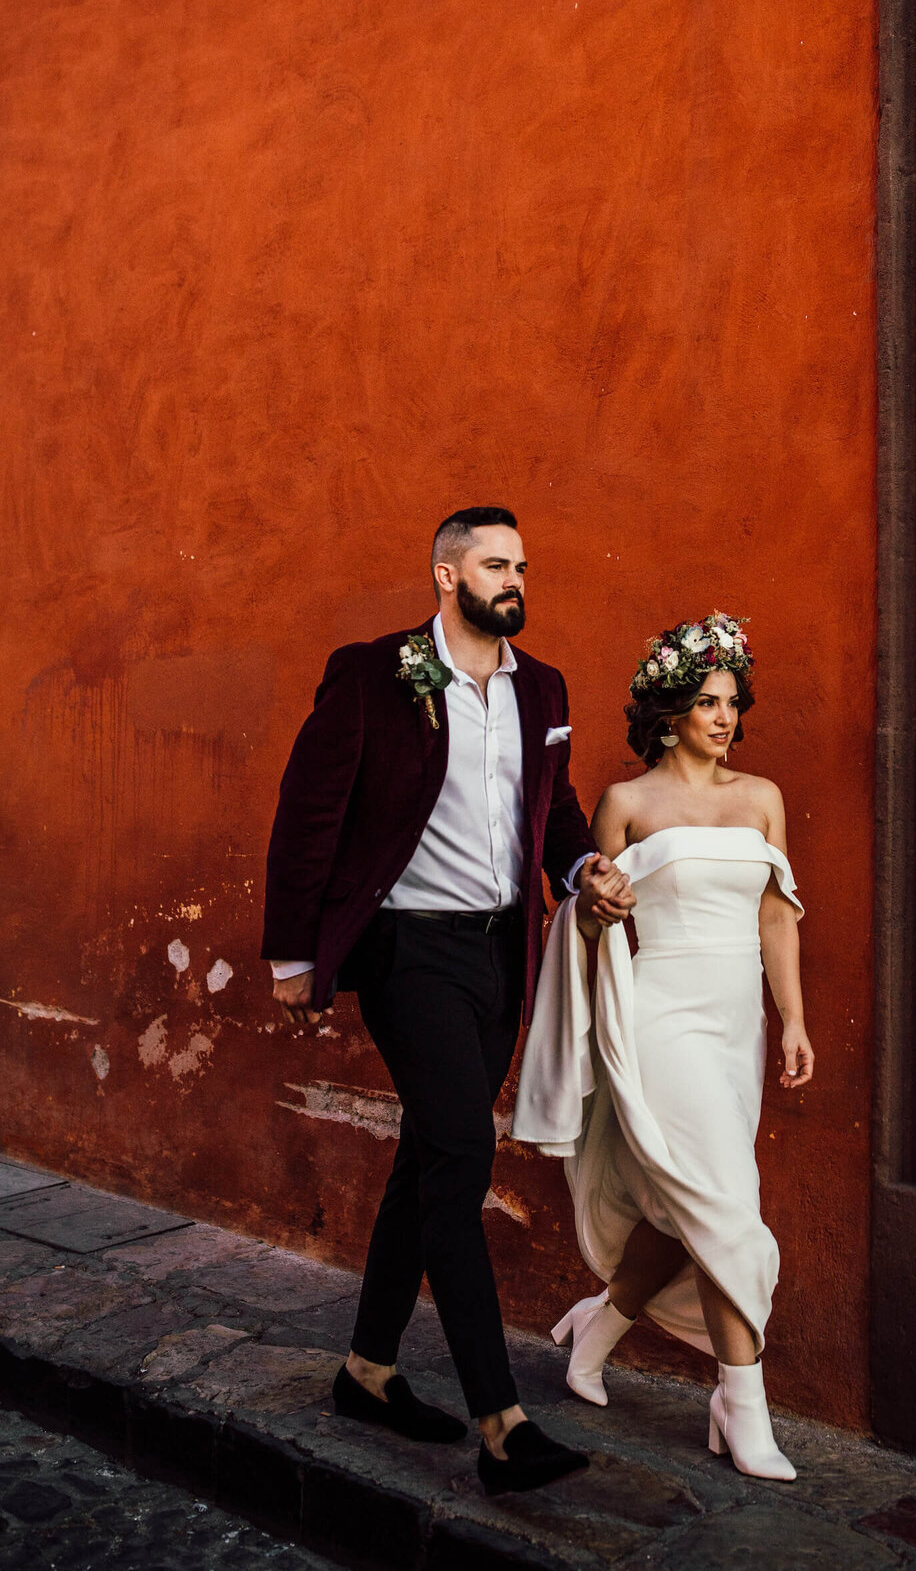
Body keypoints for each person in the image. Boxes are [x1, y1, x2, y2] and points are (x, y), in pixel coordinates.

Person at [262, 506, 634, 1495]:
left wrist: (586, 865)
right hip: (408, 954)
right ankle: (502, 1422)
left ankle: (368, 1371)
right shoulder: (376, 675)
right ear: (444, 576)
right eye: (495, 564)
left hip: (498, 959)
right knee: (463, 1159)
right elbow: (309, 817)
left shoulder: (540, 688)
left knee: (425, 1154)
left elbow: (550, 813)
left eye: (522, 565)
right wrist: (293, 956)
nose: (515, 579)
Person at [512, 612, 814, 1482]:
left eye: (732, 702)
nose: (725, 718)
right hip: (661, 1019)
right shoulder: (627, 804)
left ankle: (596, 1327)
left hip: (735, 1028)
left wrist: (790, 1019)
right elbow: (583, 909)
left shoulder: (761, 798)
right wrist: (590, 907)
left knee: (684, 1206)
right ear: (669, 710)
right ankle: (741, 1402)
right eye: (707, 701)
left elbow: (775, 918)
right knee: (726, 1205)